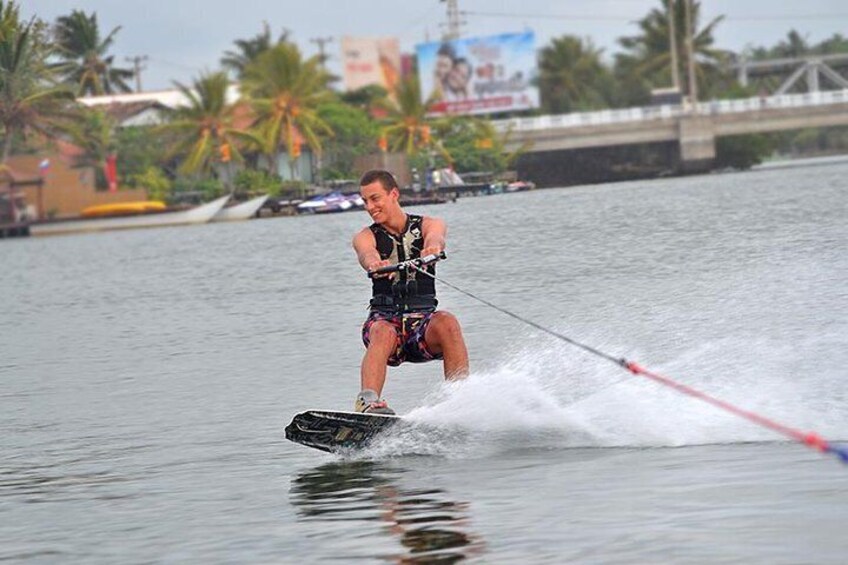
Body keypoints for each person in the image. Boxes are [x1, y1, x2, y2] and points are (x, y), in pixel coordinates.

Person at [352, 169, 469, 414]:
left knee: (448, 321)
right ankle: (368, 402)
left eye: (375, 198)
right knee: (383, 330)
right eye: (365, 201)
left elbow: (436, 237)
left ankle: (461, 402)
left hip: (422, 330)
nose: (369, 206)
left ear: (393, 194)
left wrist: (432, 248)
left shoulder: (429, 223)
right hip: (384, 325)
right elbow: (366, 253)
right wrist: (375, 263)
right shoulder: (365, 236)